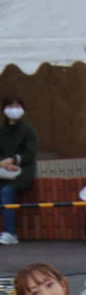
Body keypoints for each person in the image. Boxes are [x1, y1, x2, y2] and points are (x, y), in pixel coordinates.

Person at [0, 94, 38, 246]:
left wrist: (14, 160)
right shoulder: (2, 130)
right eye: (10, 106)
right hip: (3, 170)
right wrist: (4, 163)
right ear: (4, 109)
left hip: (23, 172)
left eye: (17, 106)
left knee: (6, 192)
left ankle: (10, 233)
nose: (14, 109)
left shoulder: (28, 130)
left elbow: (30, 154)